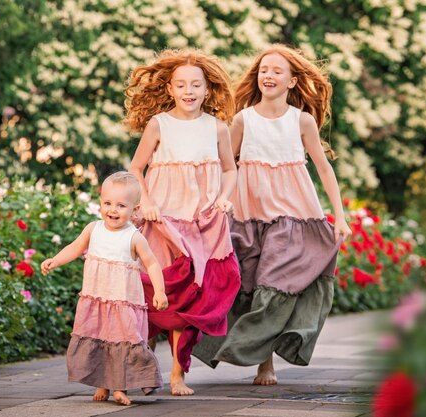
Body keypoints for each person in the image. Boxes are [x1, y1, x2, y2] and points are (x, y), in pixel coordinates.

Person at [193, 44, 352, 385]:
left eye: (277, 71)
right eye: (264, 69)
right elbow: (225, 166)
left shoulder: (302, 121)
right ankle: (252, 355)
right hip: (248, 214)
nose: (269, 75)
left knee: (274, 284)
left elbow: (324, 171)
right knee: (249, 285)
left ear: (293, 81)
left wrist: (339, 216)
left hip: (293, 217)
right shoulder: (243, 119)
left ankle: (265, 363)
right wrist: (214, 201)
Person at [126, 49, 242, 396]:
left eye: (196, 84)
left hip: (202, 223)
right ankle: (138, 368)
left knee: (190, 302)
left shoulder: (217, 127)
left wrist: (224, 197)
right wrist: (145, 201)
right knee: (150, 294)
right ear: (170, 89)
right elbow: (135, 168)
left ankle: (178, 374)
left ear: (208, 89)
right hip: (162, 222)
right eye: (181, 84)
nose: (189, 90)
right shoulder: (159, 124)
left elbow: (229, 169)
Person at [41, 171, 168, 406]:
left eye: (121, 205)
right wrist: (55, 260)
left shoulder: (134, 237)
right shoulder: (93, 229)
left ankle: (119, 387)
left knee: (121, 340)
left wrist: (159, 291)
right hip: (97, 300)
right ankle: (103, 383)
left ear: (135, 210)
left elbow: (152, 263)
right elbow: (75, 248)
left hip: (122, 303)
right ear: (100, 203)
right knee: (100, 339)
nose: (113, 210)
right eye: (107, 203)